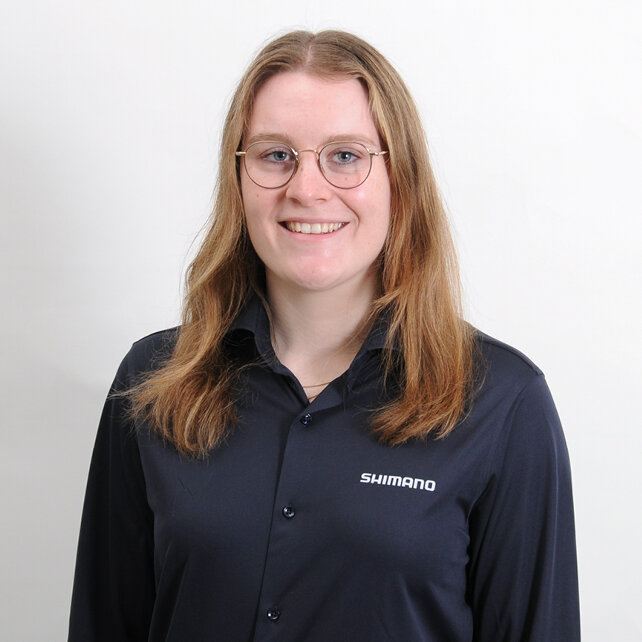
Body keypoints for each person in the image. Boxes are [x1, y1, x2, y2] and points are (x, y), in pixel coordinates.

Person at [68, 30, 580, 642]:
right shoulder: (153, 379)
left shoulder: (502, 402)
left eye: (344, 156)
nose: (306, 189)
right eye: (275, 155)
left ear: (401, 180)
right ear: (238, 178)